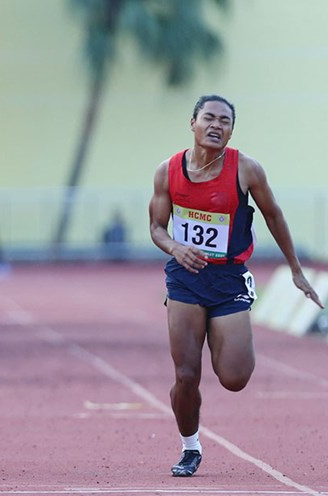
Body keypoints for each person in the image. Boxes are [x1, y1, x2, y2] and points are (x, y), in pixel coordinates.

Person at [148, 95, 324, 476]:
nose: (216, 125)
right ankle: (190, 447)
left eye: (224, 121)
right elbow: (157, 228)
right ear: (192, 122)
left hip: (228, 279)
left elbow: (274, 214)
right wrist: (176, 248)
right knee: (185, 374)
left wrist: (294, 268)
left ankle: (218, 345)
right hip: (186, 278)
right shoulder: (168, 171)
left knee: (234, 378)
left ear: (231, 130)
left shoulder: (246, 169)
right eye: (208, 118)